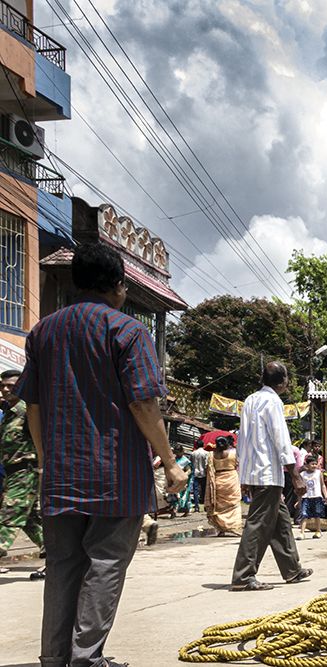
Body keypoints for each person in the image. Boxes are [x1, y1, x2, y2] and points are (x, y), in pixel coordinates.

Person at [15, 243, 188, 667]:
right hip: (116, 474)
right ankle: (86, 658)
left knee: (62, 566)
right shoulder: (128, 332)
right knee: (106, 563)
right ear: (117, 285)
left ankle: (55, 657)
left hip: (60, 473)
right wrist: (168, 461)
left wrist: (43, 463)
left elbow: (32, 407)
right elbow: (144, 404)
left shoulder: (43, 332)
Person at [230, 362, 312, 591]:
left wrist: (244, 474)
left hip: (256, 471)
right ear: (283, 381)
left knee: (280, 521)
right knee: (258, 524)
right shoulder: (273, 401)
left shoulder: (251, 400)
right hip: (267, 473)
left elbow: (243, 439)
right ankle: (244, 576)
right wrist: (295, 474)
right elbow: (281, 439)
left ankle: (292, 569)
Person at [0, 368, 45, 568]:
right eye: (2, 386)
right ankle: (58, 554)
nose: (5, 389)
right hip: (12, 473)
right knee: (28, 519)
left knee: (9, 515)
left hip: (26, 471)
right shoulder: (9, 413)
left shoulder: (28, 412)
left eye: (11, 385)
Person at [205, 434, 242, 537]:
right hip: (231, 479)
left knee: (219, 506)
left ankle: (221, 529)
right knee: (233, 504)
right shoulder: (233, 453)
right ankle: (232, 526)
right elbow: (238, 465)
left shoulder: (212, 454)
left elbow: (208, 469)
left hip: (218, 480)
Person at [298, 455, 327, 540]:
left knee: (317, 515)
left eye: (316, 464)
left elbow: (323, 485)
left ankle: (318, 531)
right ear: (307, 465)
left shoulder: (319, 473)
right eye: (312, 464)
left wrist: (326, 495)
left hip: (317, 496)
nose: (314, 466)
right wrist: (299, 500)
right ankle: (302, 533)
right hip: (306, 497)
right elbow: (300, 488)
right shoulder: (302, 474)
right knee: (304, 515)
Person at [168, 444, 194, 518]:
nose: (176, 454)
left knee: (183, 497)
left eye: (178, 452)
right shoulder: (174, 459)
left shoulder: (185, 460)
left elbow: (189, 470)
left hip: (183, 481)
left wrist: (182, 475)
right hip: (174, 480)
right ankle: (173, 511)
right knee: (174, 496)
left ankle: (186, 510)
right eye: (175, 452)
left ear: (182, 451)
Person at [190, 441, 209, 512]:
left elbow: (191, 463)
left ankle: (196, 507)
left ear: (197, 445)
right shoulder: (206, 453)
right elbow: (207, 464)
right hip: (204, 473)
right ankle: (205, 506)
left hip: (195, 473)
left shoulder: (193, 453)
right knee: (204, 490)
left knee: (195, 490)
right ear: (203, 445)